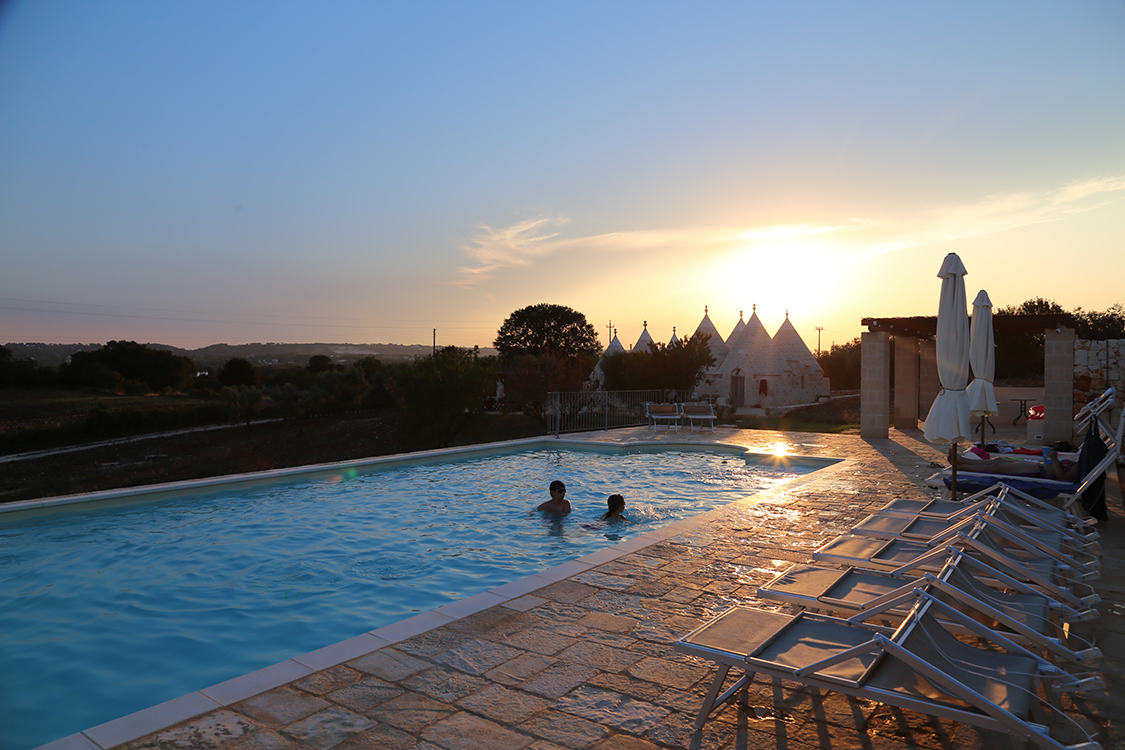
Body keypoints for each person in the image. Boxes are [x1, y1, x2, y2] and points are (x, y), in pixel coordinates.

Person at [957, 451, 1077, 481]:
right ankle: (964, 461)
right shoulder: (1078, 464)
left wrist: (1055, 460)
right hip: (1037, 466)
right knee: (998, 460)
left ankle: (963, 467)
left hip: (1037, 470)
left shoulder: (1078, 468)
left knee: (996, 467)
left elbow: (1062, 478)